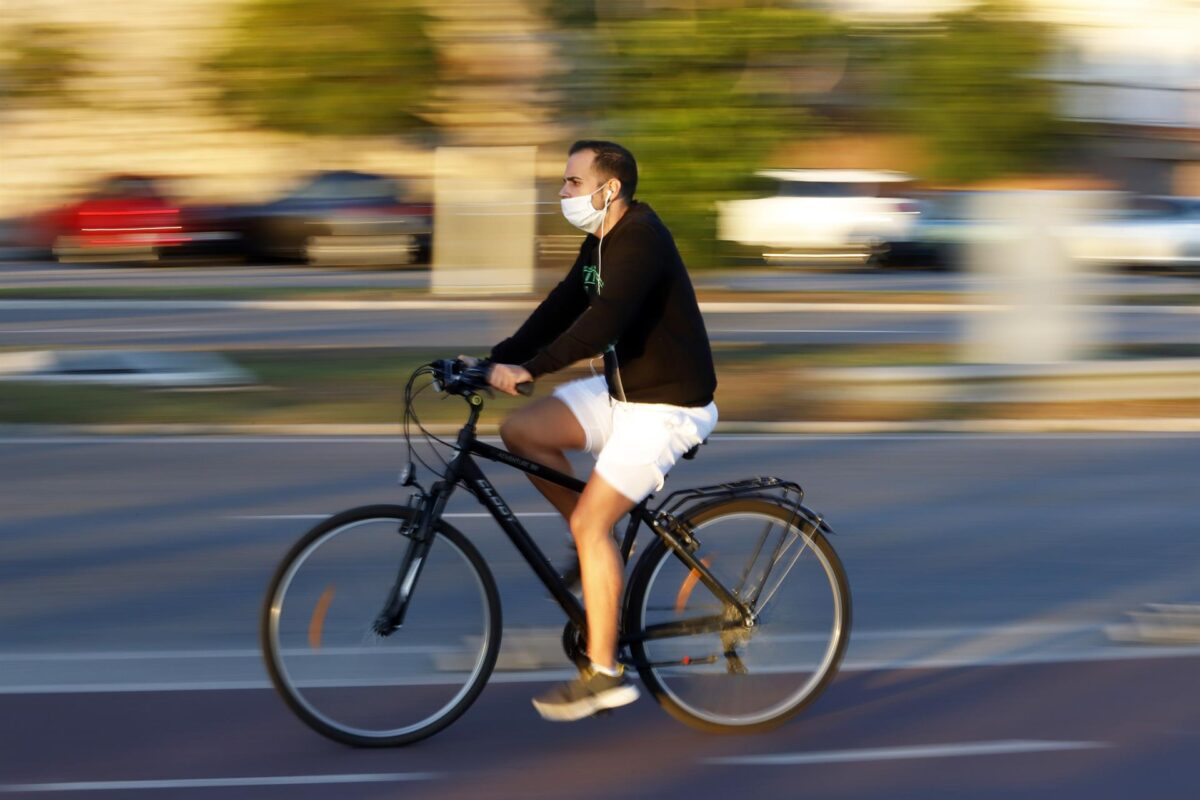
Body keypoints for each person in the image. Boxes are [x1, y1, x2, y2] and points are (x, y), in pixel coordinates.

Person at [479, 140, 718, 722]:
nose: (562, 193)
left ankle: (605, 675)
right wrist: (492, 359)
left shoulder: (640, 240)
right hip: (623, 394)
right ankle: (595, 550)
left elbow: (601, 323)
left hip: (667, 407)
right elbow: (565, 304)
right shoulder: (602, 239)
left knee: (591, 521)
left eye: (570, 182)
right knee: (524, 432)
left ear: (607, 190)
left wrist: (530, 368)